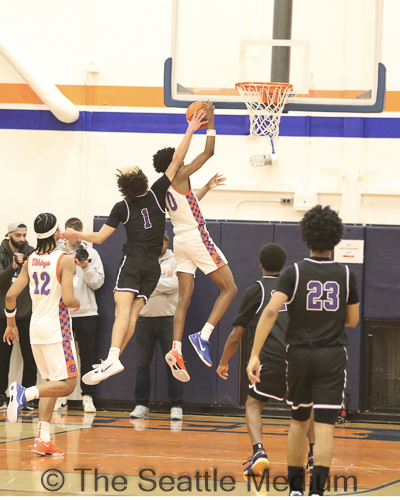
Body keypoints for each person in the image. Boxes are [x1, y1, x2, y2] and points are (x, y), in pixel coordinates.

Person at [60, 110, 207, 386]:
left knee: (121, 312)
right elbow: (177, 159)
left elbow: (100, 238)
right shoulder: (159, 191)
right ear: (143, 181)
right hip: (153, 267)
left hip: (133, 262)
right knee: (134, 314)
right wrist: (192, 129)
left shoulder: (122, 206)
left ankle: (113, 358)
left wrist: (75, 232)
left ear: (123, 189)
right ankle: (113, 359)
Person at [247, 205, 360, 496]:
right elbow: (352, 320)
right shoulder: (346, 275)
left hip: (297, 355)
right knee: (323, 427)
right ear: (335, 238)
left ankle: (295, 490)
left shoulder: (293, 273)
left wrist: (255, 354)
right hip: (332, 356)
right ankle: (317, 493)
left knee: (298, 422)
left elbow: (271, 312)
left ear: (306, 236)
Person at [153, 101, 237, 382]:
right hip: (196, 237)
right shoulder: (180, 173)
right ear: (174, 164)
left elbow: (187, 205)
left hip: (180, 241)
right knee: (230, 289)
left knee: (184, 298)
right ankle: (204, 335)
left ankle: (176, 348)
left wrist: (207, 188)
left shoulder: (165, 188)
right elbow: (208, 151)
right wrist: (210, 121)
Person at [217, 243, 315, 476]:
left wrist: (223, 361)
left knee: (253, 404)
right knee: (307, 406)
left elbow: (236, 334)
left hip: (273, 357)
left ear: (260, 265)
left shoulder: (257, 290)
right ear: (284, 264)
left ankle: (259, 452)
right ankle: (313, 455)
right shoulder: (296, 288)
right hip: (302, 355)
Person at [4, 213, 80, 456]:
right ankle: (24, 393)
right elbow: (68, 299)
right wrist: (78, 303)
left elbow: (10, 296)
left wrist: (11, 323)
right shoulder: (65, 260)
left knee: (52, 383)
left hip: (35, 329)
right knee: (68, 384)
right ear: (56, 232)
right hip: (57, 329)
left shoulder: (31, 259)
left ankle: (43, 439)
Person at [130, 230, 183, 421]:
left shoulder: (176, 260)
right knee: (142, 364)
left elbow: (176, 285)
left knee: (174, 363)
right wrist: (159, 286)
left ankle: (176, 406)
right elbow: (136, 285)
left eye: (162, 240)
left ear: (167, 242)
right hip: (144, 318)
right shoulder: (142, 259)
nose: (158, 244)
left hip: (168, 318)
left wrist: (150, 285)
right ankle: (141, 404)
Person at [55, 217, 105, 413]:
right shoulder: (57, 255)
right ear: (66, 234)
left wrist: (85, 266)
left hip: (87, 313)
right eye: (71, 235)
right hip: (63, 313)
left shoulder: (91, 253)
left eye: (78, 235)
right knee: (62, 357)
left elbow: (98, 283)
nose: (76, 239)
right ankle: (61, 395)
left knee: (88, 356)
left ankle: (87, 396)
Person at [0, 222, 36, 411]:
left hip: (26, 314)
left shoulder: (32, 253)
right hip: (3, 316)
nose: (22, 239)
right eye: (18, 235)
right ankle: (0, 398)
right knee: (2, 359)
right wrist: (13, 267)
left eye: (24, 235)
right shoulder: (1, 253)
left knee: (30, 358)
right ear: (9, 235)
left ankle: (27, 397)